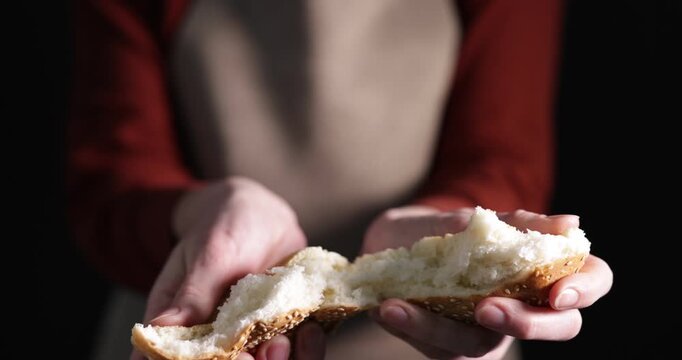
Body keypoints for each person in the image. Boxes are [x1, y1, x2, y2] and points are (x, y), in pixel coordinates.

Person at [68, 0, 613, 359]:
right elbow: (111, 175)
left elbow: (503, 154)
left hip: (430, 347)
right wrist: (198, 213)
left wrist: (448, 238)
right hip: (191, 292)